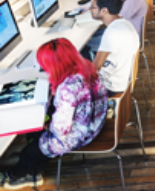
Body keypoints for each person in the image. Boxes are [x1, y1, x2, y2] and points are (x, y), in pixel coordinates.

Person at [0, 38, 107, 189]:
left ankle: (17, 175)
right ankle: (34, 165)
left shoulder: (67, 89)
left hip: (79, 136)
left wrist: (46, 125)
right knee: (37, 133)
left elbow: (60, 130)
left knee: (33, 148)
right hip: (95, 122)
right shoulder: (87, 67)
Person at [86, 0, 140, 96]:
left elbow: (94, 68)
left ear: (104, 11)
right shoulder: (124, 23)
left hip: (111, 87)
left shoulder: (111, 33)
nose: (89, 9)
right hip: (123, 79)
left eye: (93, 7)